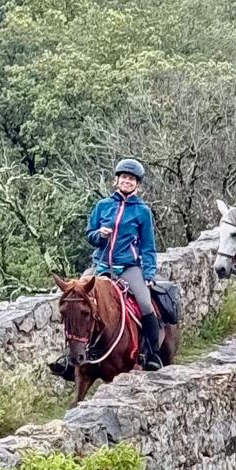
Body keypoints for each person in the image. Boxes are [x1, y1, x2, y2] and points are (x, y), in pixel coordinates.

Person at [86, 158, 163, 371]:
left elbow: (148, 246)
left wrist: (148, 273)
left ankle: (152, 353)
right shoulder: (102, 206)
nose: (127, 181)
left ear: (137, 184)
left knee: (145, 304)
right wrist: (99, 234)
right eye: (124, 177)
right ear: (116, 180)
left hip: (128, 267)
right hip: (101, 266)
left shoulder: (142, 211)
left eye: (132, 179)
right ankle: (72, 354)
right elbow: (89, 235)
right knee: (77, 299)